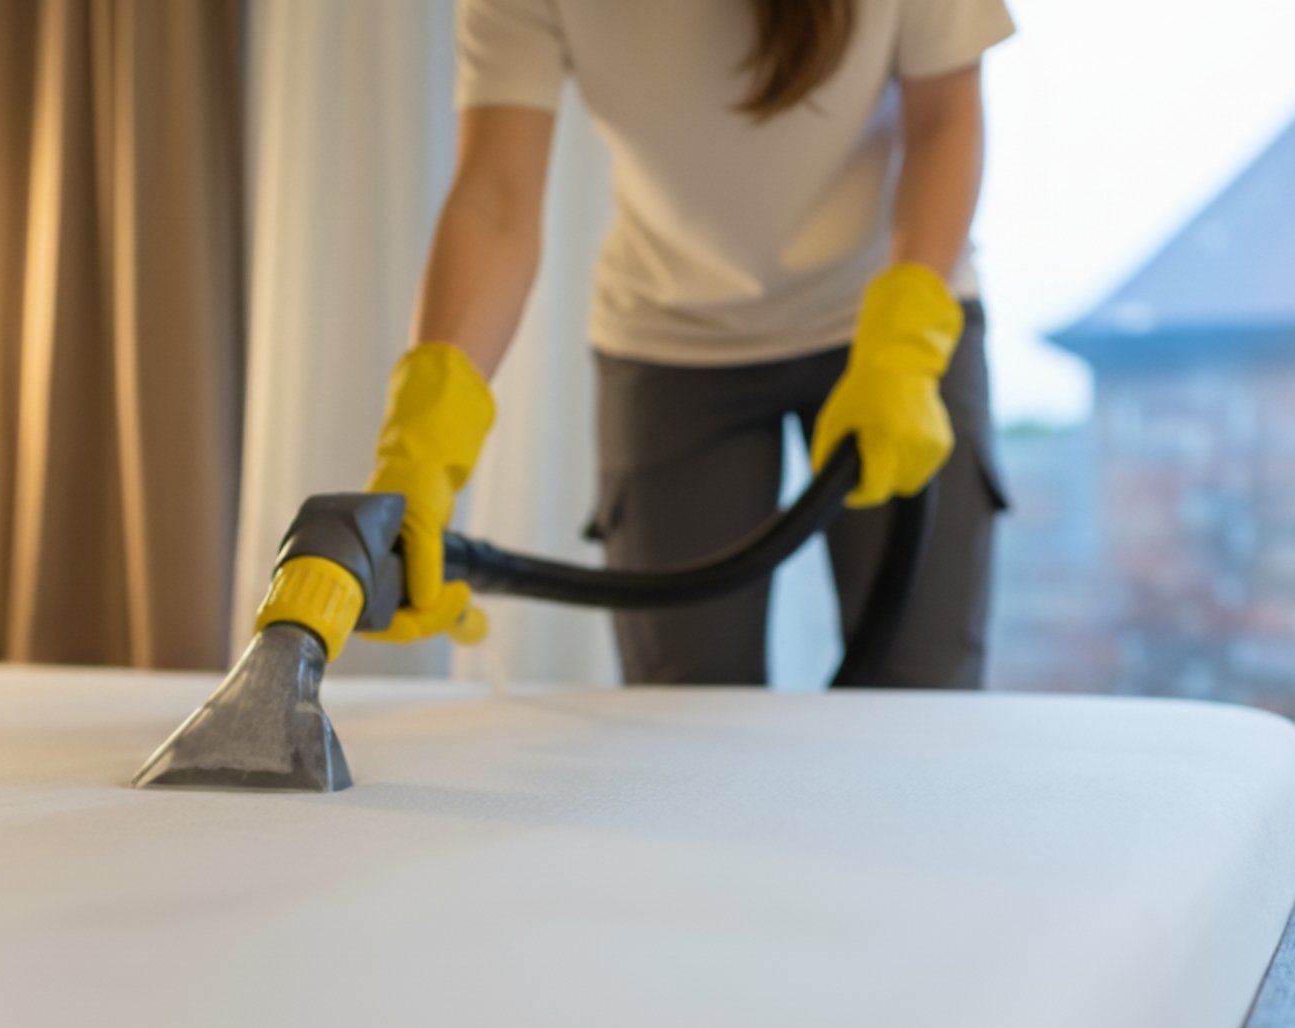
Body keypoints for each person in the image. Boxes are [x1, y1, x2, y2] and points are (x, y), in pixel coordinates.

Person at [361, 0, 1013, 688]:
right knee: (682, 715)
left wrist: (904, 343)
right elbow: (495, 196)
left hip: (892, 322)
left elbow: (945, 119)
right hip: (672, 345)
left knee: (919, 698)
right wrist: (421, 441)